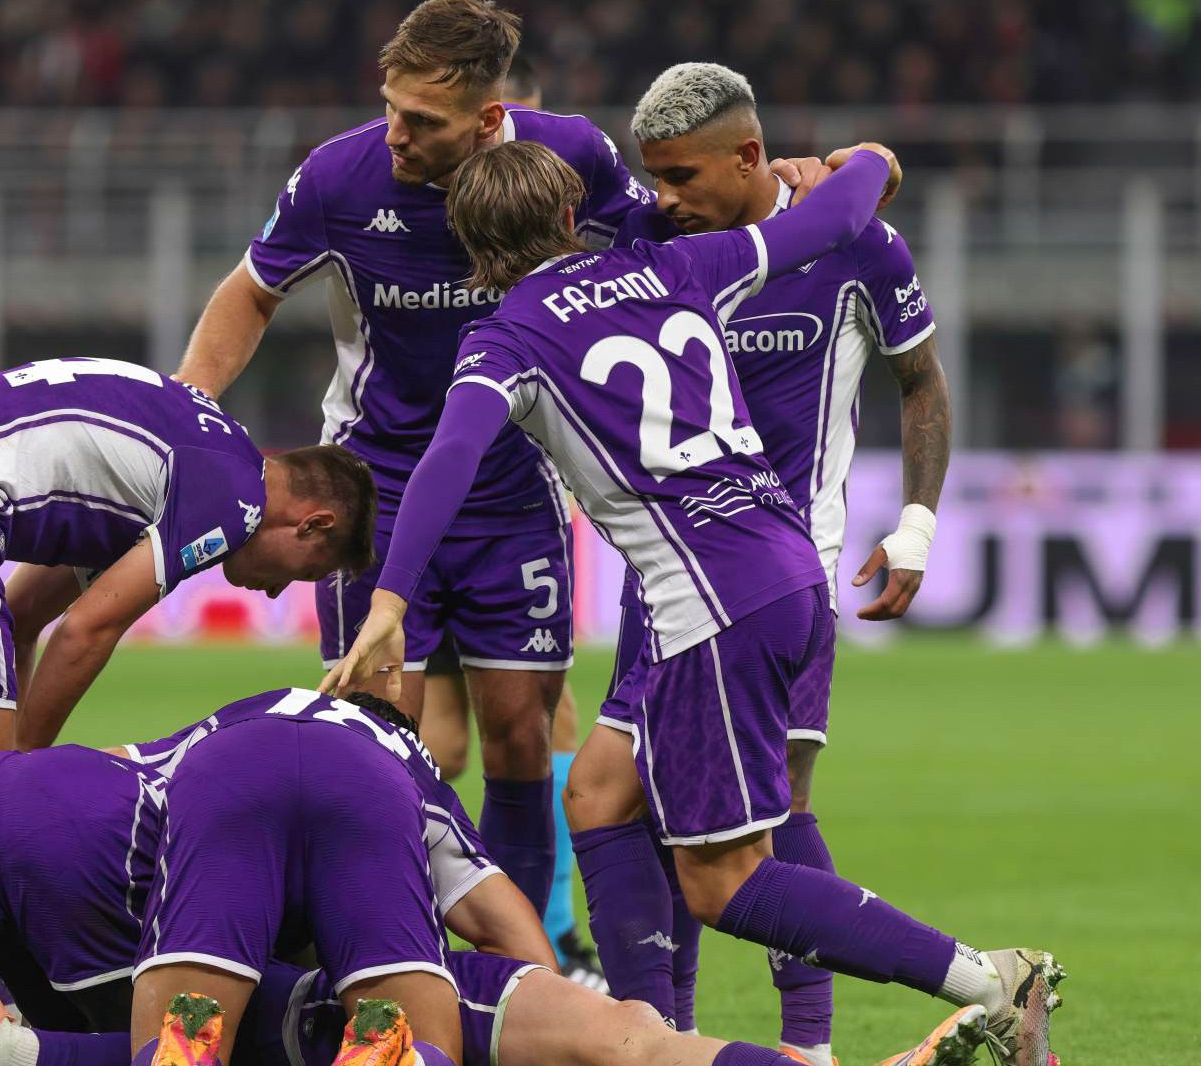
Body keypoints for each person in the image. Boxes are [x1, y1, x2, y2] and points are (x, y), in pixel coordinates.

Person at [321, 139, 1062, 1066]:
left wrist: (390, 599)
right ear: (568, 218)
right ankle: (654, 1039)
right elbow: (837, 217)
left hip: (710, 602)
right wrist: (872, 160)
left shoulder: (503, 340)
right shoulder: (675, 265)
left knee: (723, 882)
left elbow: (449, 458)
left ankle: (987, 982)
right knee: (598, 792)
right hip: (781, 563)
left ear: (472, 251)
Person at [0, 689, 990, 1066]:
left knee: (188, 1041)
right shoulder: (403, 772)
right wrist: (531, 988)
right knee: (616, 1036)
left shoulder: (234, 717)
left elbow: (131, 777)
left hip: (115, 803)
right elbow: (499, 913)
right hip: (352, 866)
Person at [175, 0, 660, 920]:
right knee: (376, 741)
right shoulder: (339, 176)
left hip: (513, 489)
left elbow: (671, 243)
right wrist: (187, 412)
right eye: (390, 107)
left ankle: (518, 968)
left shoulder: (572, 158)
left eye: (423, 121)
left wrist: (786, 195)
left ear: (489, 118)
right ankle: (391, 948)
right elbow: (252, 290)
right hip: (376, 490)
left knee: (520, 737)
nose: (395, 134)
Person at [562, 63, 952, 1065]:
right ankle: (666, 1034)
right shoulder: (653, 242)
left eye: (682, 175)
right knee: (639, 800)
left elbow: (919, 380)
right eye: (654, 175)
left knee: (776, 800)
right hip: (670, 569)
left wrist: (915, 523)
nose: (661, 197)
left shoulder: (857, 244)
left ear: (747, 156)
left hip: (787, 567)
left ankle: (807, 1043)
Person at [0, 357, 375, 784]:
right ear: (312, 525)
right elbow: (87, 630)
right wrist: (22, 772)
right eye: (305, 573)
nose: (275, 593)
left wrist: (14, 757)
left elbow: (21, 616)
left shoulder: (196, 450)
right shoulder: (236, 498)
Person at [406, 39, 600, 984]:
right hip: (438, 505)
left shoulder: (513, 309)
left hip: (507, 504)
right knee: (496, 738)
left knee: (504, 733)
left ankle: (522, 948)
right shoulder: (509, 322)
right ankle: (539, 942)